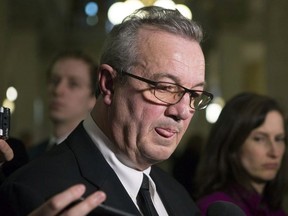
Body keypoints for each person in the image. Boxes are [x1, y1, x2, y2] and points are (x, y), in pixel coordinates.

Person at [0, 6, 213, 215]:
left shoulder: (179, 197)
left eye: (194, 95)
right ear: (109, 84)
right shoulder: (33, 192)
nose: (183, 111)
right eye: (166, 88)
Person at [195, 92, 288, 216]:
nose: (274, 152)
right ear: (232, 142)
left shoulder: (273, 208)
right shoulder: (217, 209)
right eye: (259, 139)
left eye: (278, 139)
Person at [29, 50, 97, 159]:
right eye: (54, 81)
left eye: (73, 84)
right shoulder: (30, 156)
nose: (58, 90)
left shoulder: (96, 158)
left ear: (93, 98)